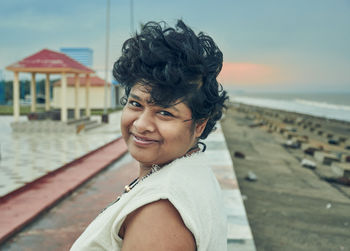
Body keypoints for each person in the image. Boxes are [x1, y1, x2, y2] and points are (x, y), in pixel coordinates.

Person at [70, 20, 228, 251]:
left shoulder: (160, 212)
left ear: (199, 126)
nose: (141, 124)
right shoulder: (188, 173)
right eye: (135, 103)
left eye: (165, 112)